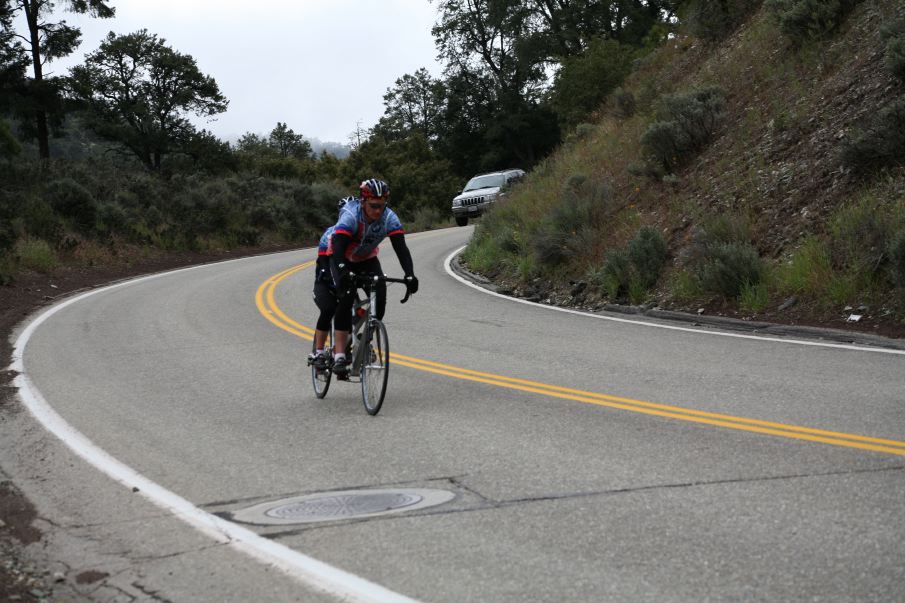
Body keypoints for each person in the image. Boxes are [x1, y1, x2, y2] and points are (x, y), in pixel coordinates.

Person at [309, 178, 418, 377]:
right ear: (363, 202)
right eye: (373, 206)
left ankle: (363, 338)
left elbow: (401, 248)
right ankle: (340, 354)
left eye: (382, 206)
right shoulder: (351, 214)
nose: (378, 211)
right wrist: (342, 270)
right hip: (341, 257)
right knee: (347, 293)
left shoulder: (389, 217)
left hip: (366, 259)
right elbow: (339, 245)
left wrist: (409, 274)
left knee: (381, 292)